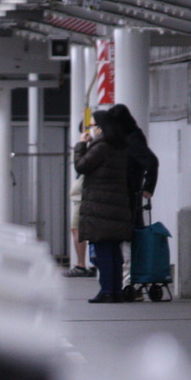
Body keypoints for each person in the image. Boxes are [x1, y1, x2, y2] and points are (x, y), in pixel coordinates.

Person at [73, 108, 132, 303]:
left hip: (100, 206)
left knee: (103, 252)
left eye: (93, 126)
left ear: (100, 127)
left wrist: (81, 144)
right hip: (115, 205)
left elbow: (81, 166)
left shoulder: (102, 146)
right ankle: (115, 290)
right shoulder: (119, 145)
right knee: (114, 251)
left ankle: (107, 290)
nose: (92, 129)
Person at [109, 104, 158, 299]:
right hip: (129, 197)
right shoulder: (132, 136)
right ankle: (130, 282)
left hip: (130, 198)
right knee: (129, 239)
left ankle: (130, 283)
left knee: (128, 240)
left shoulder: (133, 140)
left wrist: (148, 188)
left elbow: (151, 161)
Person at [63, 121, 96, 278]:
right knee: (80, 230)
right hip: (82, 195)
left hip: (84, 196)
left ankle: (82, 264)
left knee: (78, 229)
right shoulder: (98, 146)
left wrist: (81, 145)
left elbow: (80, 165)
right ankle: (89, 264)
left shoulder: (96, 147)